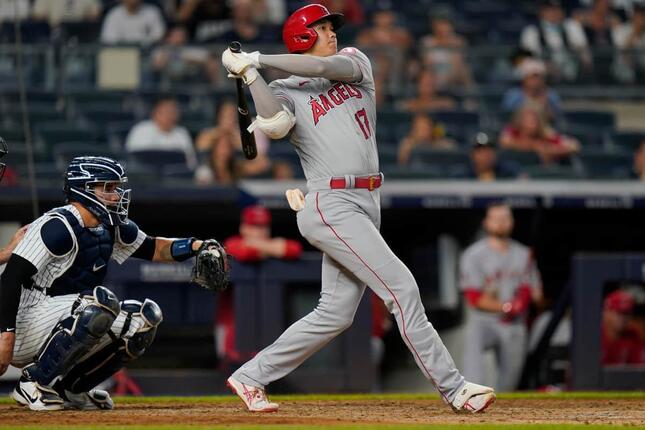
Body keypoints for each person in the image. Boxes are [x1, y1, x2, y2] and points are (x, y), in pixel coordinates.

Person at [220, 3, 496, 413]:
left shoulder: (354, 62)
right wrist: (251, 74)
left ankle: (251, 376)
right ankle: (455, 389)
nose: (332, 32)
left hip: (367, 200)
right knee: (402, 288)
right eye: (322, 27)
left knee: (335, 313)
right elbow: (274, 124)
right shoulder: (284, 90)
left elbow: (325, 69)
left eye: (331, 26)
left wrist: (257, 59)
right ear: (302, 37)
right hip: (332, 201)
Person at [0, 156, 225, 411]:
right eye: (107, 188)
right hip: (25, 323)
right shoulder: (56, 226)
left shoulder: (110, 225)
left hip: (65, 320)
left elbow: (154, 247)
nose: (116, 195)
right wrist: (5, 338)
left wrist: (196, 246)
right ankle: (32, 383)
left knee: (143, 319)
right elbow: (9, 278)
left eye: (116, 188)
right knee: (100, 304)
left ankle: (73, 389)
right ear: (83, 190)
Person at [459, 202, 543, 391]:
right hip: (485, 322)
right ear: (486, 223)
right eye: (495, 219)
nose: (500, 223)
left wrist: (526, 295)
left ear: (512, 222)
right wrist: (507, 306)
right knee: (473, 340)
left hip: (514, 324)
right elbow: (473, 298)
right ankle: (470, 394)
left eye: (505, 218)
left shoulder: (524, 255)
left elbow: (538, 295)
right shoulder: (474, 255)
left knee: (509, 385)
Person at [216, 205, 302, 364]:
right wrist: (274, 247)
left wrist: (260, 247)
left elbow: (294, 249)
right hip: (232, 326)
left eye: (263, 226)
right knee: (230, 367)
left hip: (267, 324)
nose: (260, 231)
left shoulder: (263, 244)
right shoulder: (232, 242)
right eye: (255, 226)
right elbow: (244, 252)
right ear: (243, 228)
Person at [520, 0, 590, 82]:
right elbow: (528, 59)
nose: (553, 13)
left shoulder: (572, 27)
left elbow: (584, 52)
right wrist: (545, 67)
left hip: (573, 76)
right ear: (541, 12)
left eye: (556, 9)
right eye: (548, 10)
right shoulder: (531, 32)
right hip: (545, 79)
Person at [125, 96, 197, 169]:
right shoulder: (140, 130)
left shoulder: (182, 133)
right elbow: (133, 161)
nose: (170, 115)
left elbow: (191, 163)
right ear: (155, 112)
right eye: (166, 111)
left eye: (173, 111)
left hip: (175, 177)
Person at [499, 104, 580, 165]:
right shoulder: (512, 130)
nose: (530, 124)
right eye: (526, 120)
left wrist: (549, 150)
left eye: (533, 120)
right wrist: (534, 146)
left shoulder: (547, 135)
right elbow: (504, 142)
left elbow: (574, 146)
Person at [501, 58, 564, 127]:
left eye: (539, 77)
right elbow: (508, 117)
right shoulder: (513, 95)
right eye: (533, 77)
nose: (536, 81)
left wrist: (545, 105)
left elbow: (556, 119)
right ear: (524, 78)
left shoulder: (551, 95)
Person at [418, 13, 473, 90]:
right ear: (434, 26)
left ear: (451, 26)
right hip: (433, 74)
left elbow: (459, 62)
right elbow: (426, 63)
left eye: (445, 24)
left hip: (453, 76)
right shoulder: (426, 42)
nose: (443, 28)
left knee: (464, 69)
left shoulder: (458, 41)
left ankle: (470, 98)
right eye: (440, 24)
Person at [100, 0, 165, 46]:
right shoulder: (113, 15)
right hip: (121, 56)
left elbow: (158, 37)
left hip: (146, 56)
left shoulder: (152, 12)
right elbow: (109, 41)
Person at [32, 0, 101, 28]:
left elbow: (95, 14)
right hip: (55, 32)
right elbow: (37, 15)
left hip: (82, 32)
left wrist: (84, 16)